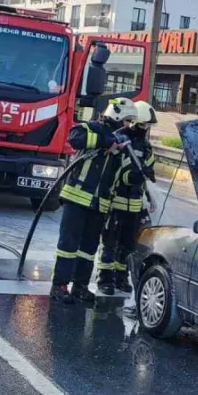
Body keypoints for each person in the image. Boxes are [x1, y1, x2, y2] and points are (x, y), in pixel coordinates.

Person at [49, 98, 137, 304]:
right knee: (68, 245)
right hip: (76, 198)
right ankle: (59, 285)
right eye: (126, 121)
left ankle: (80, 286)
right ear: (116, 115)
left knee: (88, 249)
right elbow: (75, 138)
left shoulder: (121, 142)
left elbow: (121, 174)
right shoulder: (91, 128)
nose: (127, 126)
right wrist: (106, 142)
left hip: (100, 204)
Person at [97, 101, 157, 295]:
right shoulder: (119, 139)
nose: (145, 129)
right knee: (110, 242)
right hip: (116, 201)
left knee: (128, 245)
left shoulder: (146, 147)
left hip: (135, 205)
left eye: (148, 126)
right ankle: (105, 279)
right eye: (143, 125)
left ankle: (120, 277)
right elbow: (112, 170)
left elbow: (147, 173)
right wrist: (128, 177)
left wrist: (148, 180)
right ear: (133, 122)